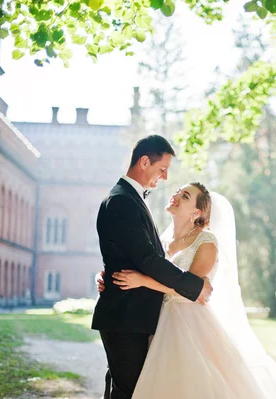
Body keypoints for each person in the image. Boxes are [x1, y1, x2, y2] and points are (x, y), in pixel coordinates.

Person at [98, 182, 276, 398]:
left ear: (197, 212)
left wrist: (143, 281)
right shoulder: (162, 241)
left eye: (185, 195)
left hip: (187, 322)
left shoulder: (206, 242)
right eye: (179, 191)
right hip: (154, 319)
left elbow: (191, 289)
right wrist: (106, 276)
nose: (176, 195)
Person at [91, 135, 213, 399]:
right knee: (131, 392)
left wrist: (110, 275)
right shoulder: (123, 200)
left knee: (125, 390)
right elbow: (148, 260)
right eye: (162, 169)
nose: (166, 178)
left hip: (134, 317)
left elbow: (131, 255)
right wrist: (195, 286)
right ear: (144, 162)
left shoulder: (129, 198)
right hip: (125, 318)